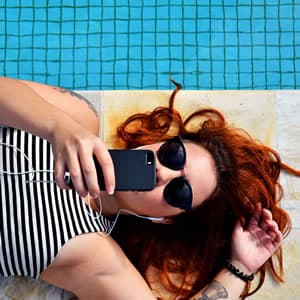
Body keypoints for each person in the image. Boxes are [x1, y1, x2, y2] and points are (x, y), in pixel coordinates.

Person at [0, 76, 298, 300]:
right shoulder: (79, 116)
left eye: (179, 192)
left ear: (166, 219)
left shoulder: (95, 253)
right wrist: (56, 127)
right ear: (157, 143)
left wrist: (240, 267)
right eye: (173, 155)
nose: (162, 173)